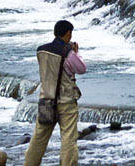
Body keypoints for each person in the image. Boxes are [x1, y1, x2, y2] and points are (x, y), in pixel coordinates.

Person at [24, 20, 86, 166]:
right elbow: (81, 68)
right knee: (68, 139)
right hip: (66, 102)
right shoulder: (68, 53)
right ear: (68, 33)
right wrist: (76, 53)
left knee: (39, 138)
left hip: (46, 100)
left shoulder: (41, 50)